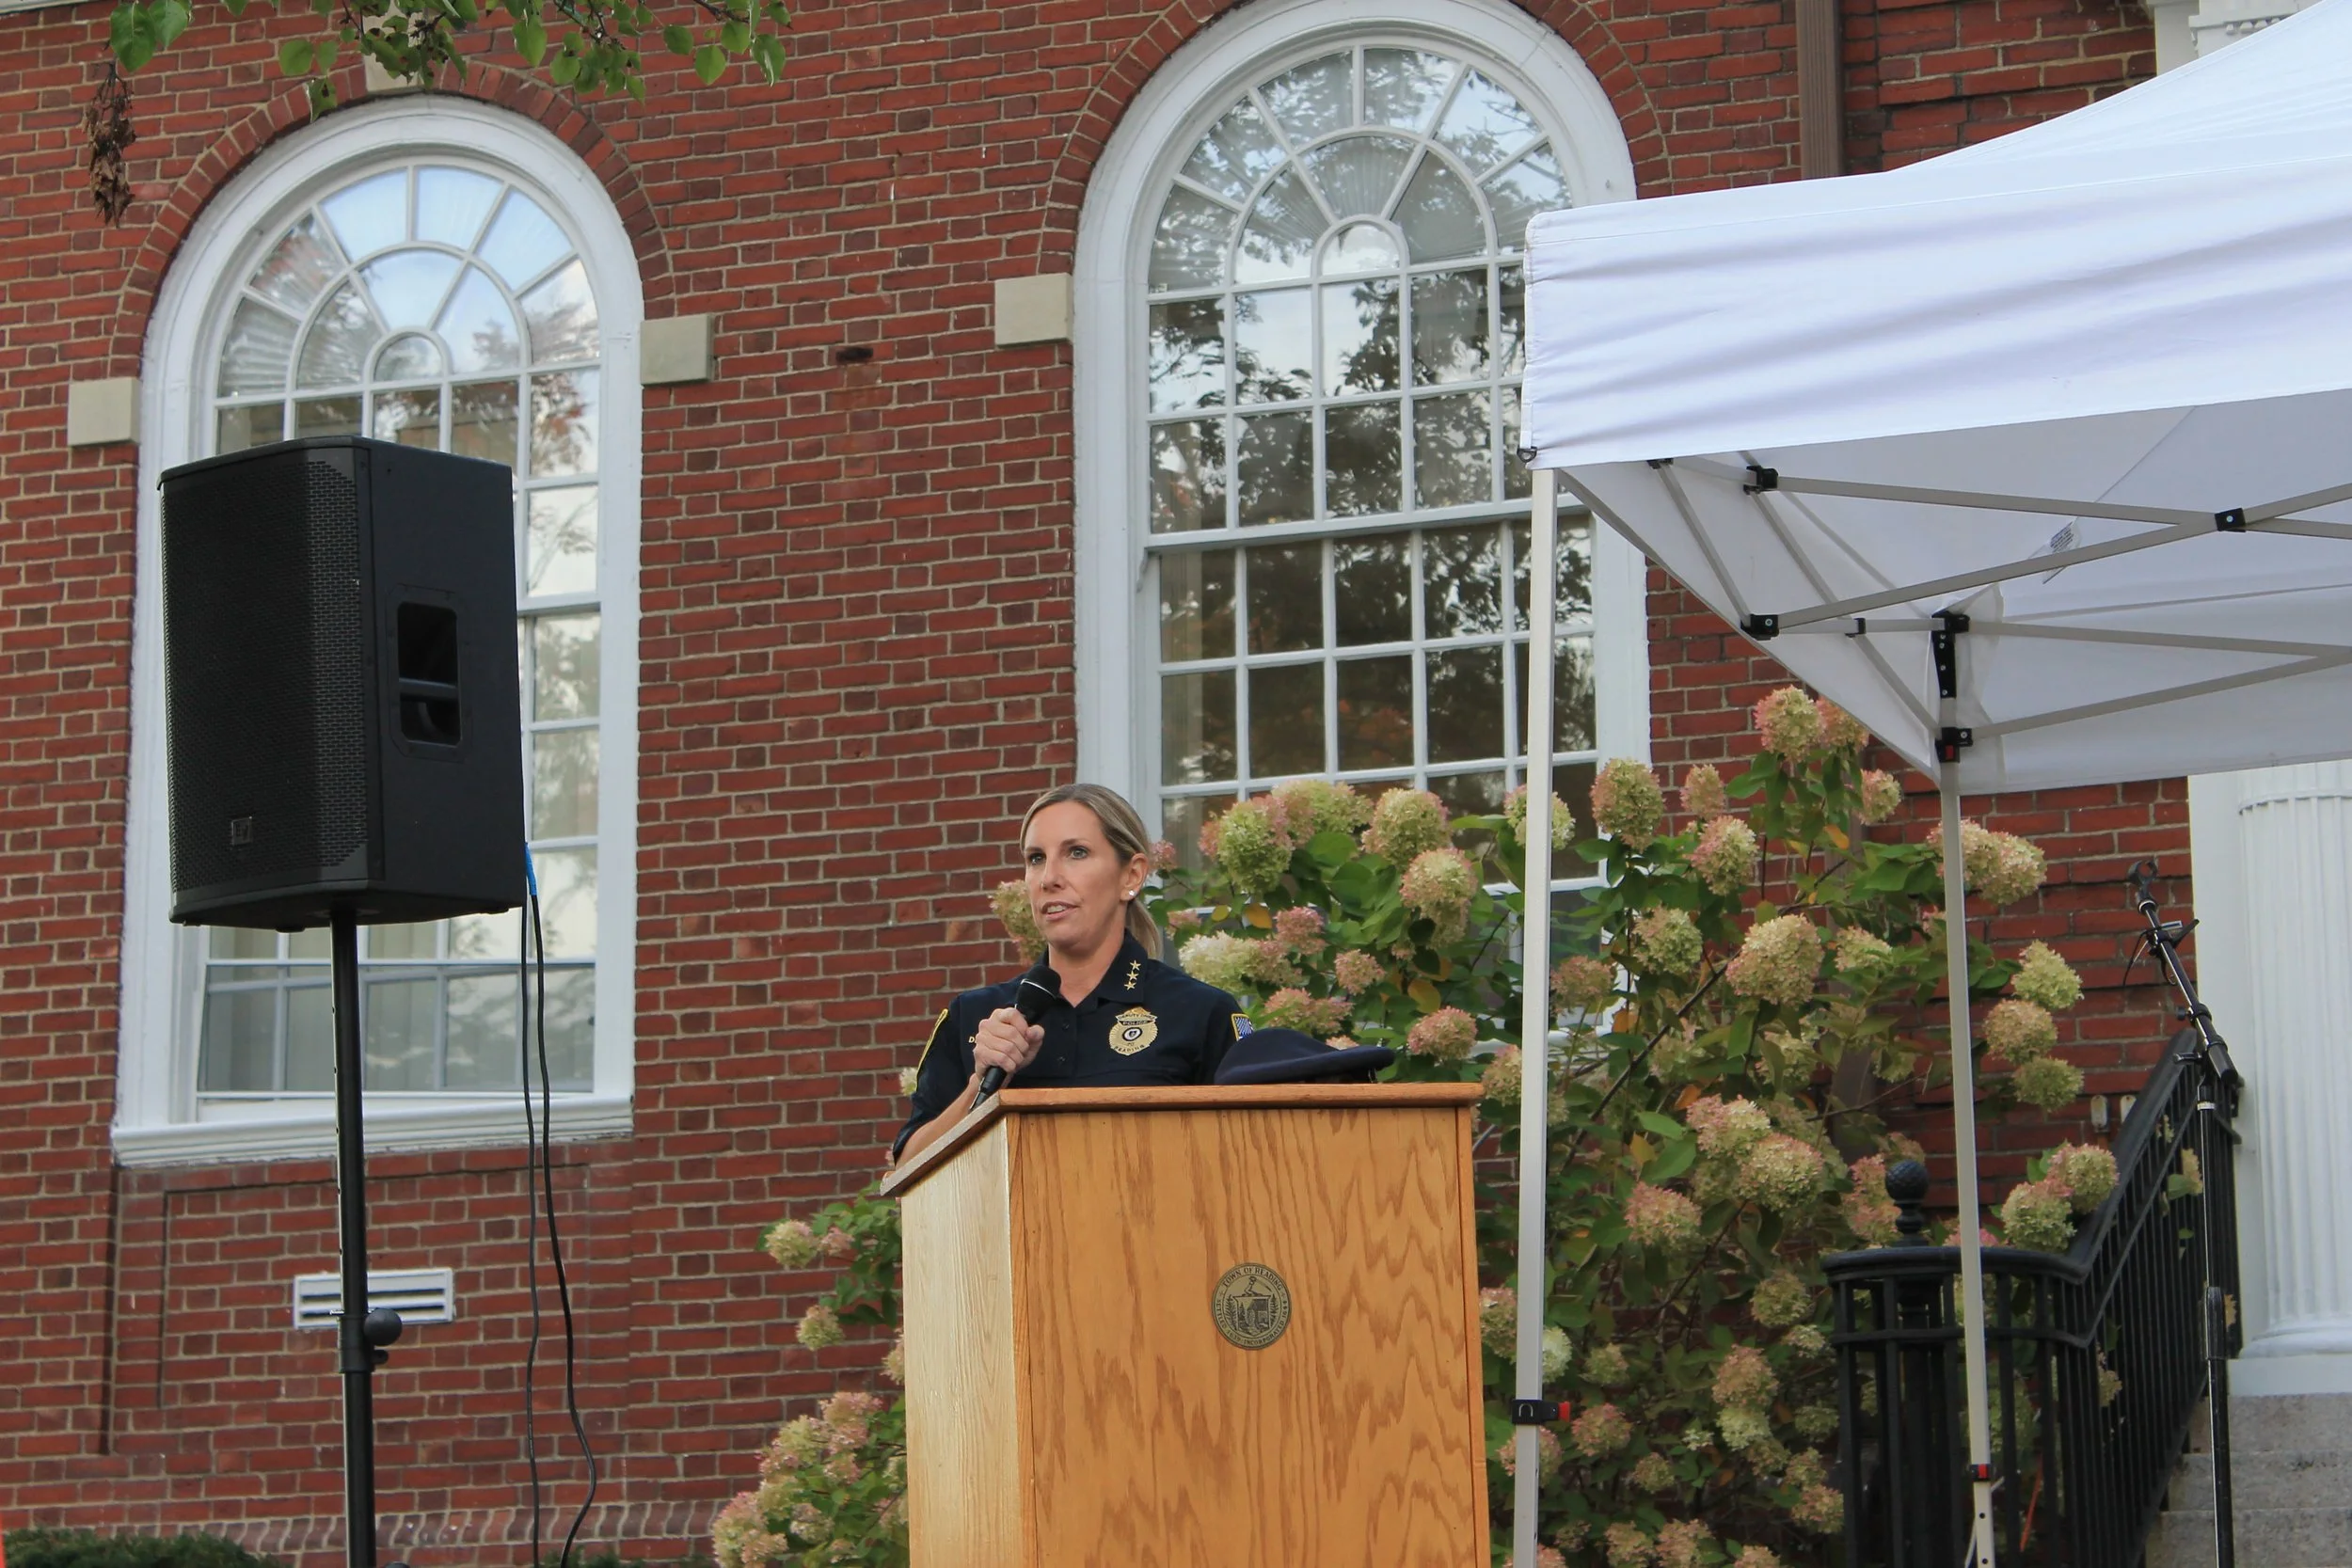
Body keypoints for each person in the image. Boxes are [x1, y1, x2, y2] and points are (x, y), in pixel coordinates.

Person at [890, 783, 1248, 1166]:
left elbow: (1250, 1156)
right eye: (1036, 858)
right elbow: (907, 1173)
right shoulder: (973, 1016)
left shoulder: (1200, 1012)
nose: (1049, 878)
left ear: (1132, 875)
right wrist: (981, 1085)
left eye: (1076, 853)